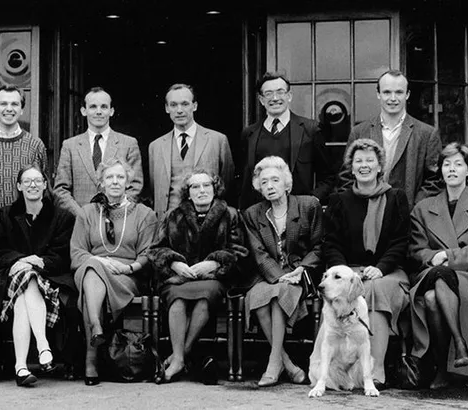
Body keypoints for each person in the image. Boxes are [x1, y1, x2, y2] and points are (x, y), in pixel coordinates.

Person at [0, 165, 74, 386]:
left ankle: (21, 367)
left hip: (49, 278)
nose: (33, 185)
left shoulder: (62, 217)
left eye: (38, 180)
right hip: (9, 276)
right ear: (19, 186)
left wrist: (41, 262)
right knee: (27, 278)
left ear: (44, 185)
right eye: (27, 181)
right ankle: (43, 345)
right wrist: (19, 261)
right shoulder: (5, 215)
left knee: (28, 283)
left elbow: (63, 255)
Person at [409, 142, 468, 389]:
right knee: (437, 279)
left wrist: (445, 256)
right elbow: (415, 250)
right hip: (434, 271)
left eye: (458, 164)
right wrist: (433, 258)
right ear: (440, 170)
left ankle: (444, 367)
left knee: (432, 297)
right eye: (446, 164)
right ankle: (457, 346)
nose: (451, 169)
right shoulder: (423, 208)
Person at [322, 139, 411, 390]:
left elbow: (400, 241)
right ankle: (340, 373)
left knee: (374, 289)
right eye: (358, 161)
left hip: (389, 272)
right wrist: (347, 273)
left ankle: (376, 369)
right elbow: (332, 243)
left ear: (380, 166)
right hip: (350, 270)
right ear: (351, 168)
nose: (364, 166)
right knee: (354, 287)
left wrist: (381, 267)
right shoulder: (339, 200)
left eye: (370, 160)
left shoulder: (396, 198)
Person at [147, 169, 248, 384]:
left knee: (205, 296)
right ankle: (180, 359)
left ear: (215, 188)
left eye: (206, 185)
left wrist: (214, 262)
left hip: (213, 278)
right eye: (195, 187)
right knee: (177, 299)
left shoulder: (230, 214)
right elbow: (155, 250)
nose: (201, 190)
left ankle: (178, 357)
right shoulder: (173, 216)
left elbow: (240, 252)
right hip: (178, 278)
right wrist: (174, 263)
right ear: (188, 193)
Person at [70, 158, 159, 385]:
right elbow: (77, 251)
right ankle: (96, 328)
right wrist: (98, 260)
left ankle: (91, 359)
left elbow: (148, 255)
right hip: (91, 267)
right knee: (91, 269)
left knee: (93, 272)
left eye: (120, 177)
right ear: (101, 182)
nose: (115, 182)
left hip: (125, 275)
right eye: (109, 177)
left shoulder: (144, 214)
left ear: (128, 181)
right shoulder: (87, 212)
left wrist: (128, 267)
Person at [242, 156, 323, 388]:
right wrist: (278, 275)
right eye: (264, 181)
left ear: (287, 183)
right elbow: (258, 253)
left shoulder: (308, 205)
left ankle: (274, 363)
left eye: (275, 180)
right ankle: (284, 362)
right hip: (269, 273)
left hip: (301, 272)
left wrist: (300, 270)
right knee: (258, 296)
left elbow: (319, 246)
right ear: (258, 187)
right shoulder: (252, 214)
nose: (270, 186)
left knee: (278, 295)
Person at [344, 70, 442, 207]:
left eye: (399, 92)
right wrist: (359, 206)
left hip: (408, 216)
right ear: (378, 94)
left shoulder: (427, 134)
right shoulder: (359, 131)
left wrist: (415, 207)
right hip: (367, 213)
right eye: (387, 92)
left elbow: (435, 180)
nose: (393, 98)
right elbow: (347, 176)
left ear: (407, 95)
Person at [239, 72, 335, 208]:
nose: (275, 98)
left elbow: (328, 177)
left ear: (289, 96)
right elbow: (243, 180)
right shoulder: (249, 134)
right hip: (259, 215)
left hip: (299, 213)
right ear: (261, 99)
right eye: (268, 93)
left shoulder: (311, 130)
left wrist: (312, 200)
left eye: (280, 92)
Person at [54, 87, 145, 217]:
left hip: (117, 223)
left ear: (111, 111)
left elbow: (135, 186)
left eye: (103, 107)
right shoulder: (70, 146)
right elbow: (61, 190)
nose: (98, 112)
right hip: (80, 223)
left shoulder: (128, 144)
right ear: (83, 111)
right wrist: (82, 215)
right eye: (93, 107)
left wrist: (114, 213)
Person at [149, 84, 234, 218]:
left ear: (194, 106)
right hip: (168, 222)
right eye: (173, 105)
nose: (179, 110)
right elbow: (153, 188)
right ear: (166, 108)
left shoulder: (217, 140)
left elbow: (227, 183)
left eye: (185, 104)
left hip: (207, 221)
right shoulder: (156, 146)